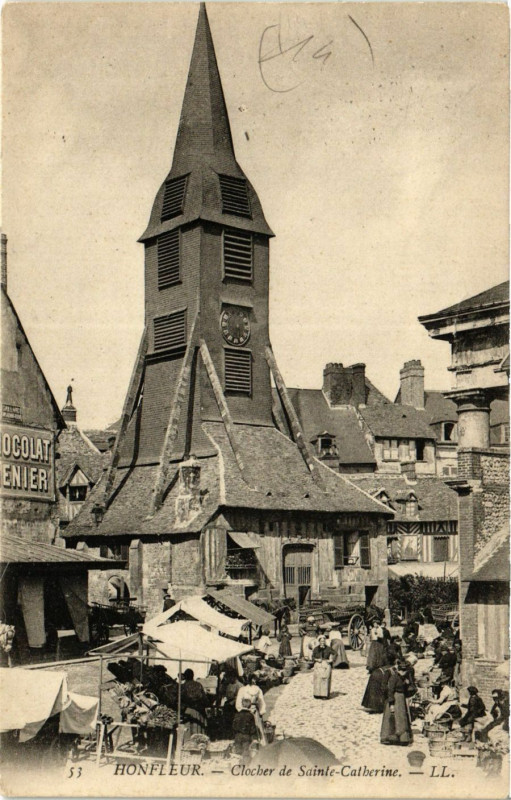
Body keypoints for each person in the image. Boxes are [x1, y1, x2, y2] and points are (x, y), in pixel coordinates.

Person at [380, 661, 413, 746]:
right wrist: (391, 704)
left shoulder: (404, 678)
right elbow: (390, 691)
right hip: (394, 699)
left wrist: (406, 684)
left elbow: (406, 691)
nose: (403, 672)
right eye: (401, 670)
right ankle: (388, 737)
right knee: (393, 718)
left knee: (401, 718)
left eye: (404, 671)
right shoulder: (393, 678)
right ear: (398, 670)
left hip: (401, 700)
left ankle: (403, 738)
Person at [236, 674, 267, 743]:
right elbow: (261, 702)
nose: (254, 681)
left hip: (249, 711)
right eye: (253, 680)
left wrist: (240, 709)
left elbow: (238, 702)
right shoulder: (256, 689)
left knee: (250, 727)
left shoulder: (244, 689)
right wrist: (261, 711)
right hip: (251, 710)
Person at [180, 668, 210, 734]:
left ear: (185, 676)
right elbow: (204, 698)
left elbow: (180, 699)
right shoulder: (199, 685)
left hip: (188, 711)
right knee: (198, 730)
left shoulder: (182, 686)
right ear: (193, 676)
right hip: (199, 711)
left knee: (188, 730)